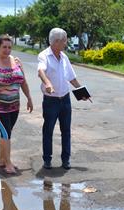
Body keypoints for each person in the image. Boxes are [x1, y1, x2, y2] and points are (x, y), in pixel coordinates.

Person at [37, 28, 89, 170]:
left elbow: (71, 77)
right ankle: (47, 160)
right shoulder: (44, 56)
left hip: (65, 99)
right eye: (64, 40)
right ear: (57, 41)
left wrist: (82, 92)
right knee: (48, 130)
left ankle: (66, 160)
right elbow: (41, 71)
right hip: (51, 101)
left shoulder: (64, 57)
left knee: (66, 130)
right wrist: (47, 83)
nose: (66, 43)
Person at [0, 34, 33, 175]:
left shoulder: (16, 61)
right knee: (5, 132)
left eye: (9, 47)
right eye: (4, 47)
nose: (7, 50)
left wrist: (29, 98)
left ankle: (1, 160)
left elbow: (23, 81)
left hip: (14, 105)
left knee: (6, 133)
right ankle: (8, 163)